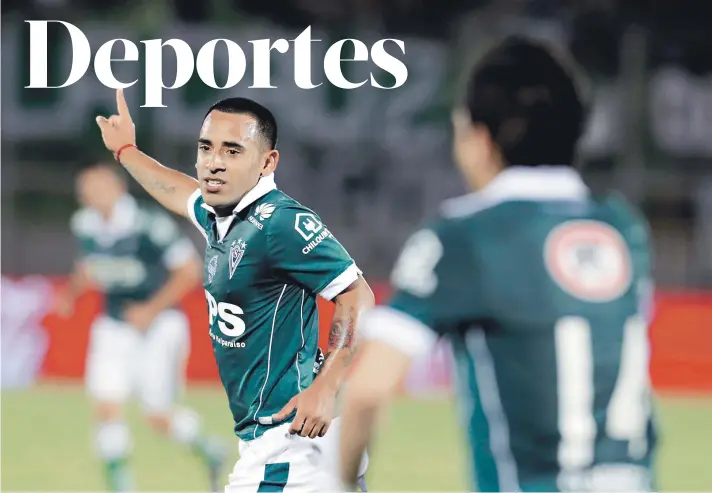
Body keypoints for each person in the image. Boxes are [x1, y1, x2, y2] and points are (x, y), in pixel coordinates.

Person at [339, 36, 657, 492]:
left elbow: (369, 389)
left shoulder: (467, 234)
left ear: (480, 139)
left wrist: (343, 482)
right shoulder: (622, 230)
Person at [94, 90, 373, 492]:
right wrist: (125, 150)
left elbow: (356, 295)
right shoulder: (220, 214)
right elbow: (177, 191)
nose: (214, 163)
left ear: (267, 162)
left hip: (286, 452)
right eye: (206, 148)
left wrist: (326, 386)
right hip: (286, 448)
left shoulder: (280, 223)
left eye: (232, 151)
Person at [55, 163, 227, 492]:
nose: (91, 197)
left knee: (158, 417)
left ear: (118, 189)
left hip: (159, 327)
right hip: (114, 325)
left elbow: (189, 270)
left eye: (98, 189)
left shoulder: (148, 224)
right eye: (86, 192)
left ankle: (209, 449)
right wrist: (70, 295)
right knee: (106, 405)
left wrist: (151, 309)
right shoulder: (85, 224)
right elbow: (88, 266)